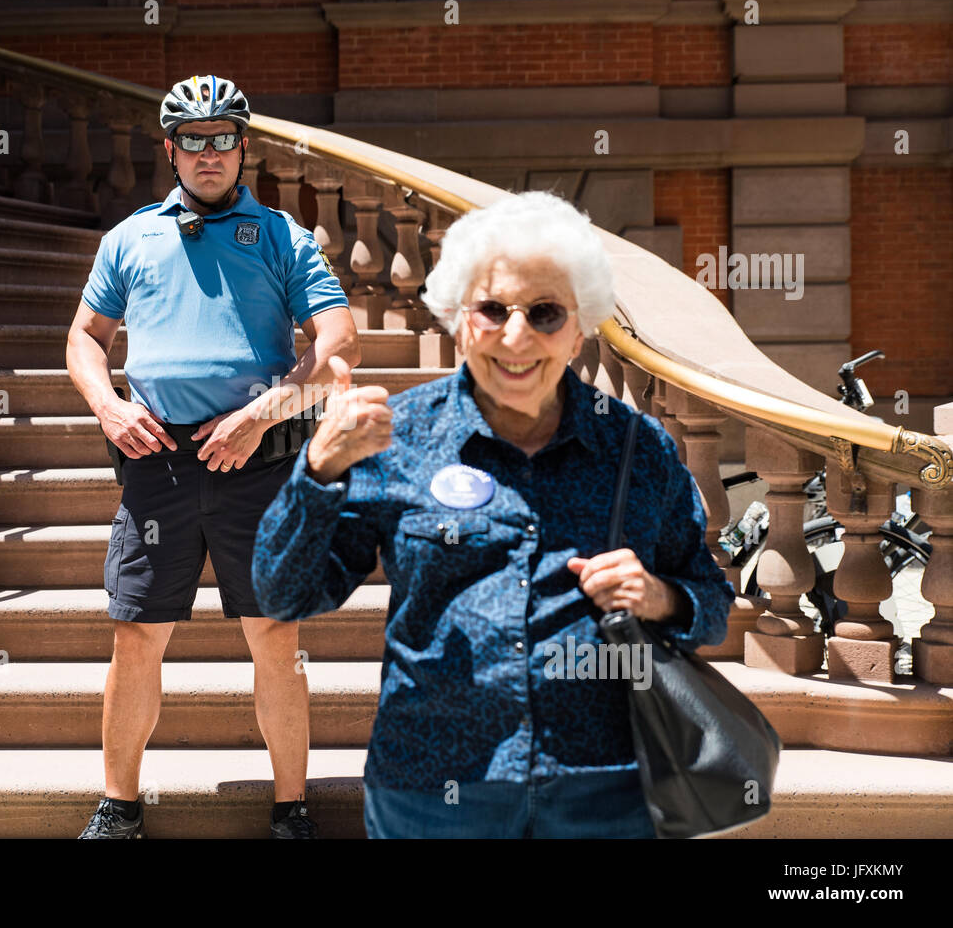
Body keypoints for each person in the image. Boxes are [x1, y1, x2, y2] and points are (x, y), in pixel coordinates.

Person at [252, 190, 735, 838]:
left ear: (580, 325)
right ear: (456, 317)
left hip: (600, 791)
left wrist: (660, 597)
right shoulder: (400, 436)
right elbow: (282, 594)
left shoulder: (636, 449)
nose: (517, 336)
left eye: (544, 313)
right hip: (431, 789)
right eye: (491, 309)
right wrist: (317, 470)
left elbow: (709, 603)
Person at [66, 75, 359, 839]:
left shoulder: (287, 237)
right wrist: (108, 405)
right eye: (192, 139)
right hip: (157, 459)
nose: (207, 153)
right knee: (136, 637)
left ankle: (291, 809)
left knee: (276, 637)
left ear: (242, 148)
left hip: (257, 465)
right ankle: (119, 806)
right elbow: (86, 338)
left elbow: (335, 346)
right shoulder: (130, 237)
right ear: (171, 149)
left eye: (221, 137)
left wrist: (262, 416)